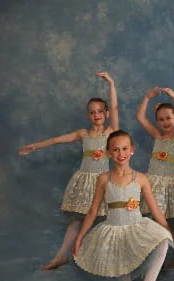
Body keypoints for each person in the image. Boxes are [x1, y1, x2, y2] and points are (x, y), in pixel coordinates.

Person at [19, 72, 119, 270]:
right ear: (88, 115)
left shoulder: (110, 132)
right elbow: (57, 140)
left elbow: (115, 107)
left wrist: (111, 83)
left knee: (107, 220)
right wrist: (35, 146)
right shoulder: (83, 134)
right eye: (92, 112)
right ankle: (60, 256)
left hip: (104, 182)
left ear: (106, 114)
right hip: (84, 182)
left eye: (100, 111)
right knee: (76, 221)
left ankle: (108, 258)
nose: (96, 115)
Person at [73, 130, 173, 281]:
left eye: (125, 149)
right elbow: (93, 211)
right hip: (114, 229)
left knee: (164, 240)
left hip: (136, 226)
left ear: (132, 150)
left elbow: (155, 209)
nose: (121, 154)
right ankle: (126, 276)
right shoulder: (104, 178)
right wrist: (80, 236)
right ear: (109, 152)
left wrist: (168, 229)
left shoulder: (141, 178)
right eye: (116, 150)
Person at [136, 87, 174, 233]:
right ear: (157, 122)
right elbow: (140, 118)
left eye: (168, 118)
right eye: (161, 119)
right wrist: (147, 97)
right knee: (151, 218)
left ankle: (170, 246)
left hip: (168, 184)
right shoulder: (158, 136)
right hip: (152, 182)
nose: (165, 122)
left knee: (168, 220)